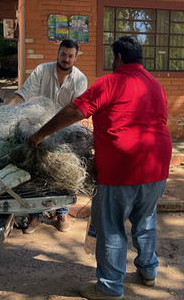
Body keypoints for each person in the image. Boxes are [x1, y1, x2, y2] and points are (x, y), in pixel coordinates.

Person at [27, 36, 172, 300]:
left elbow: (74, 111)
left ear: (118, 58)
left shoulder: (111, 82)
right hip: (158, 165)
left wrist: (40, 134)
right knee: (146, 220)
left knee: (112, 227)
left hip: (121, 169)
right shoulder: (155, 84)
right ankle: (149, 272)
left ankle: (109, 287)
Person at [8, 38, 87, 233]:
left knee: (66, 171)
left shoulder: (80, 79)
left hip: (66, 131)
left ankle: (61, 212)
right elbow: (23, 94)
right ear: (58, 53)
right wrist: (4, 112)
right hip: (39, 128)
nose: (66, 59)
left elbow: (77, 110)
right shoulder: (42, 70)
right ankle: (35, 215)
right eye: (63, 54)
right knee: (36, 168)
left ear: (76, 58)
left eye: (70, 56)